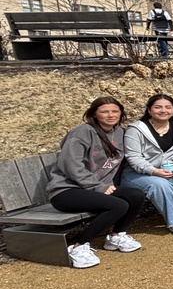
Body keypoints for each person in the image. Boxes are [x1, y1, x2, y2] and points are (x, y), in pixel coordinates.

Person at [46, 96, 146, 268]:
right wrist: (97, 186)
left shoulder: (121, 133)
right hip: (67, 191)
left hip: (96, 188)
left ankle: (116, 236)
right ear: (94, 114)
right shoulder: (83, 132)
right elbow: (70, 164)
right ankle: (79, 246)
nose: (110, 115)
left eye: (115, 111)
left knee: (136, 195)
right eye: (104, 111)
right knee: (119, 205)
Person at [121, 93, 173, 237]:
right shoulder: (135, 129)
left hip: (171, 168)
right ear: (149, 110)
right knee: (160, 185)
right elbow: (133, 157)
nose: (163, 110)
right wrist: (154, 171)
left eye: (168, 107)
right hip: (138, 173)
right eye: (158, 107)